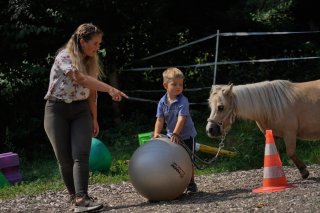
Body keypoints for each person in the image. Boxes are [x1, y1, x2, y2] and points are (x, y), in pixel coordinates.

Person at [44, 23, 128, 213]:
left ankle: (82, 198)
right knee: (64, 159)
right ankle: (74, 197)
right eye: (95, 43)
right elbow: (80, 79)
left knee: (81, 154)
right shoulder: (64, 56)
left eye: (99, 43)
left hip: (81, 111)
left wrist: (94, 118)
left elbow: (91, 93)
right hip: (56, 110)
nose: (98, 47)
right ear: (82, 41)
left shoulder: (91, 61)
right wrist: (110, 89)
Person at [153, 67, 198, 194]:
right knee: (172, 159)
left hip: (186, 135)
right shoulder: (162, 102)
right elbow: (160, 119)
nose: (178, 87)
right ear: (165, 85)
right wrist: (156, 133)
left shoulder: (183, 101)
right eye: (174, 84)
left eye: (181, 84)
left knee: (189, 160)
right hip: (171, 135)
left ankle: (191, 184)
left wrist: (176, 133)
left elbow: (181, 119)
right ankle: (173, 181)